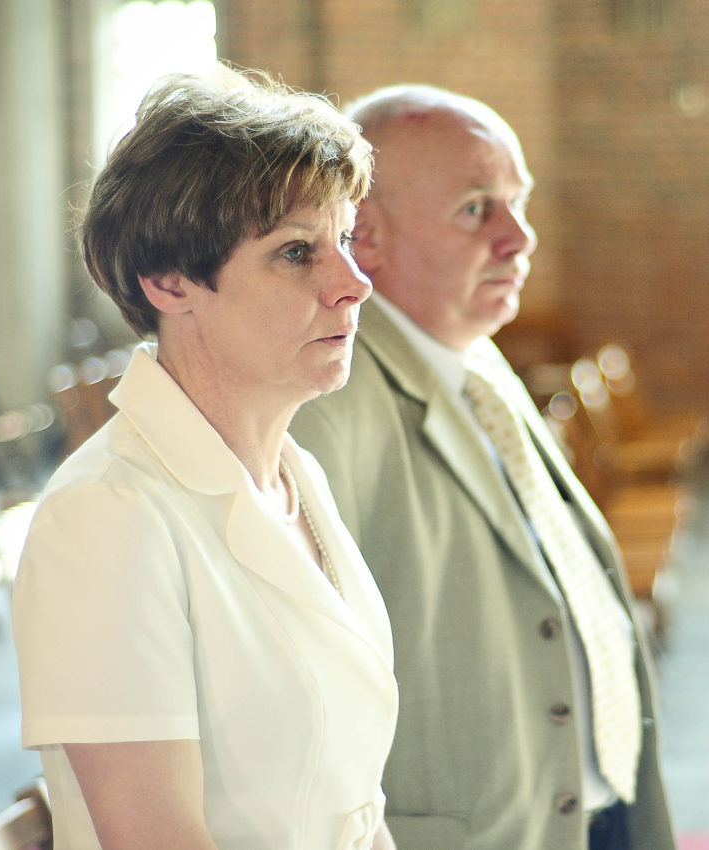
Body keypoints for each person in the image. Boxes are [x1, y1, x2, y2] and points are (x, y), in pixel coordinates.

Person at [13, 67, 399, 850]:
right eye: (297, 252)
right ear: (168, 281)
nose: (353, 284)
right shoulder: (107, 515)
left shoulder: (295, 476)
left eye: (346, 242)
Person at [291, 85, 676, 850]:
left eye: (517, 202)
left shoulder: (474, 351)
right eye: (476, 210)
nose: (519, 238)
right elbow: (302, 675)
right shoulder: (326, 398)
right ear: (365, 235)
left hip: (588, 808)